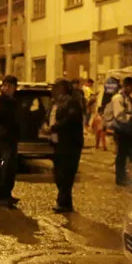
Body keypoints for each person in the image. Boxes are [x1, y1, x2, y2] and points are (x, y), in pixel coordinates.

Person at [48, 78, 85, 212]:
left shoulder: (70, 102)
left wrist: (53, 128)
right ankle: (65, 202)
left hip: (70, 144)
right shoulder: (58, 102)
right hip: (60, 143)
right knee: (60, 173)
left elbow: (69, 120)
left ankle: (63, 203)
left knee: (65, 174)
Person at [0, 75, 22, 207]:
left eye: (10, 86)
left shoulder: (15, 101)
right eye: (5, 85)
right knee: (3, 168)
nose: (7, 88)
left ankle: (7, 194)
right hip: (1, 140)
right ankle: (0, 195)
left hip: (12, 139)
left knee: (11, 168)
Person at [107, 76, 132, 186]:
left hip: (127, 130)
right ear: (126, 86)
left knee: (125, 154)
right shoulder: (118, 98)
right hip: (121, 130)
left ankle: (124, 176)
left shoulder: (127, 98)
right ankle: (120, 178)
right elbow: (119, 115)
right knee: (121, 154)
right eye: (131, 87)